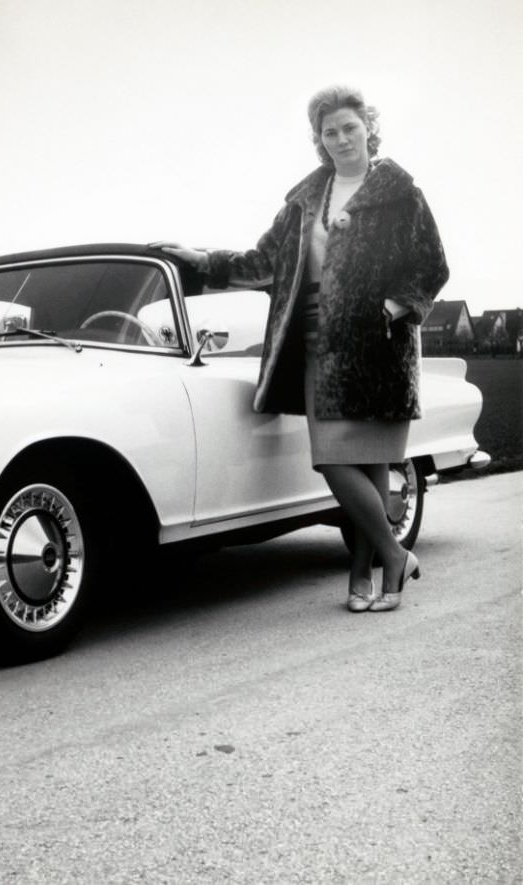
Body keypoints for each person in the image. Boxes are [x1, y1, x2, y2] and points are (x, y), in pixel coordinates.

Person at [152, 84, 449, 612]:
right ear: (319, 140)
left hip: (378, 350)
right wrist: (199, 259)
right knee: (334, 461)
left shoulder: (402, 194)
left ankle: (368, 581)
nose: (340, 139)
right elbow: (260, 263)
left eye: (349, 128)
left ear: (369, 128)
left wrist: (397, 306)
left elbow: (431, 265)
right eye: (329, 132)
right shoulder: (304, 200)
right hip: (317, 348)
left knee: (372, 467)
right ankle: (394, 553)